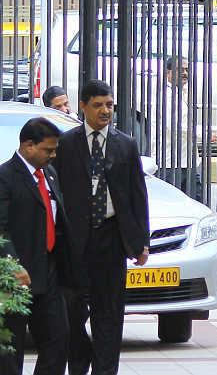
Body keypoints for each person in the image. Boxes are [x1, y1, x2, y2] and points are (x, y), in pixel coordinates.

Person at [53, 80, 150, 375]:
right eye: (98, 105)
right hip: (74, 241)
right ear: (83, 107)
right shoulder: (66, 144)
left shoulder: (126, 145)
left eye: (109, 105)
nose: (105, 111)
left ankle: (105, 370)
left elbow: (137, 195)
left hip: (111, 238)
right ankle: (80, 365)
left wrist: (141, 242)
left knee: (109, 315)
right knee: (72, 313)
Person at [0, 118, 76, 375]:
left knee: (58, 338)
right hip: (16, 277)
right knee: (10, 348)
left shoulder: (50, 174)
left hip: (49, 271)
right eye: (48, 150)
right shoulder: (5, 177)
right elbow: (1, 228)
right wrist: (13, 265)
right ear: (28, 145)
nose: (53, 155)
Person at [153, 56, 203, 201]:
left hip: (186, 160)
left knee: (196, 204)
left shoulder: (182, 92)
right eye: (180, 69)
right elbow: (173, 125)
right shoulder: (164, 95)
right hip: (170, 162)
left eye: (187, 69)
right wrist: (202, 134)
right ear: (167, 73)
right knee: (172, 204)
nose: (185, 73)